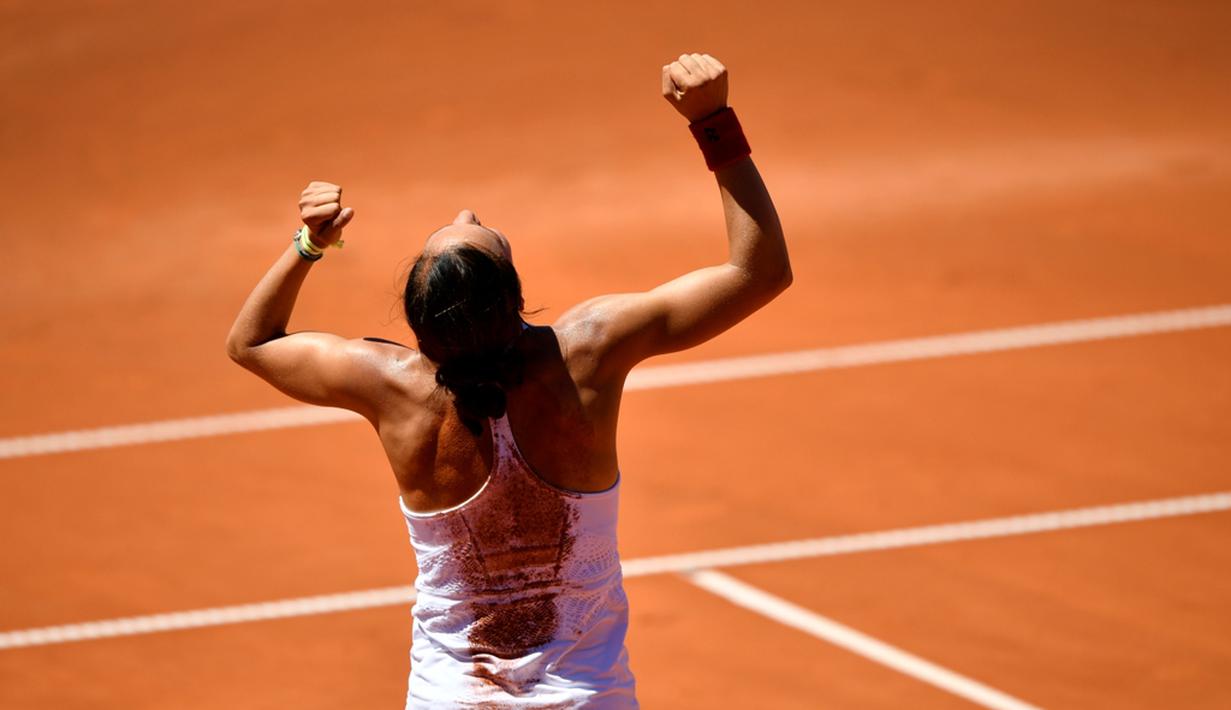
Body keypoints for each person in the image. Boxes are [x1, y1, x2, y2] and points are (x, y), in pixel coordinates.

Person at [226, 52, 790, 709]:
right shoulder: (587, 352)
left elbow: (253, 341)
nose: (466, 211)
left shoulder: (391, 384)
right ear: (513, 295)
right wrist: (712, 122)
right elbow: (759, 272)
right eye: (475, 233)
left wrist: (308, 245)